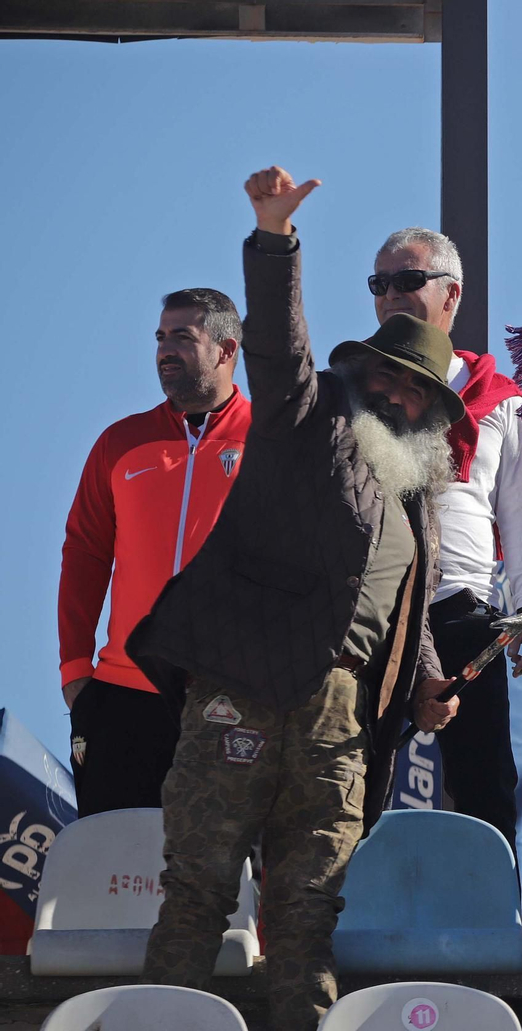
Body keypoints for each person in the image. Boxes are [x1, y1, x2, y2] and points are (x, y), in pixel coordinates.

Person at [128, 167, 463, 1031]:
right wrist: (275, 237)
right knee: (198, 892)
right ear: (361, 373)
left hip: (340, 720)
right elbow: (276, 347)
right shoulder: (305, 415)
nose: (398, 393)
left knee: (310, 915)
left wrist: (426, 678)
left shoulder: (415, 486)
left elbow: (407, 608)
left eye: (415, 388)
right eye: (386, 377)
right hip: (242, 685)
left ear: (431, 407)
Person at [371, 226, 522, 849]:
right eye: (380, 284)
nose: (391, 294)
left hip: (463, 612)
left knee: (487, 787)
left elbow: (521, 508)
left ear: (451, 296)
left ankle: (493, 933)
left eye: (407, 280)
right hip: (373, 615)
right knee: (356, 778)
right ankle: (338, 927)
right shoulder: (353, 386)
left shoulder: (500, 399)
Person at [58, 288, 250, 815]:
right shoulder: (120, 442)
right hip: (122, 696)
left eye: (183, 338)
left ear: (226, 349)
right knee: (115, 873)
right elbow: (84, 555)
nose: (165, 349)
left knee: (225, 883)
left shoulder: (271, 444)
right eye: (161, 337)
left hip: (230, 699)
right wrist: (75, 670)